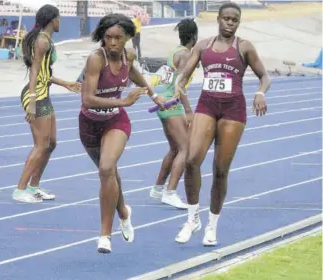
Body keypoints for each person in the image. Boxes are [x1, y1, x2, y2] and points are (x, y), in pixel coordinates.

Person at [174, 2, 270, 246]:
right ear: (218, 19)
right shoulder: (203, 45)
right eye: (226, 18)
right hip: (207, 105)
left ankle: (212, 225)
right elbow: (184, 73)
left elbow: (264, 76)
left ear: (238, 22)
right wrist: (179, 86)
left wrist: (260, 93)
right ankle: (192, 218)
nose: (230, 23)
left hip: (233, 110)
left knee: (220, 170)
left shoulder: (245, 47)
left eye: (234, 20)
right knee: (192, 160)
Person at [79, 13, 166, 253]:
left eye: (118, 38)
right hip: (89, 124)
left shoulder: (129, 56)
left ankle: (105, 235)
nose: (113, 43)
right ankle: (123, 212)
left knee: (106, 168)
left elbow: (135, 75)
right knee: (110, 174)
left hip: (115, 121)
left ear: (128, 37)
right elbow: (86, 100)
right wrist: (124, 101)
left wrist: (154, 95)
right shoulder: (96, 59)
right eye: (108, 38)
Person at [13, 4, 81, 203]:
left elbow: (45, 74)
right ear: (53, 20)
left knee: (51, 144)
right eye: (59, 18)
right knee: (41, 145)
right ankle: (20, 189)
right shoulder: (42, 41)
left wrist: (66, 83)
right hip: (36, 95)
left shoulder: (46, 40)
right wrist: (32, 101)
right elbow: (35, 71)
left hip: (43, 93)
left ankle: (34, 186)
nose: (60, 22)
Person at [149, 18, 198, 210]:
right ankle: (170, 192)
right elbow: (180, 84)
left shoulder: (175, 51)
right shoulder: (185, 54)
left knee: (175, 149)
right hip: (172, 104)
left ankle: (158, 188)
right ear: (194, 36)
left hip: (164, 102)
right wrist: (188, 111)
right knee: (185, 149)